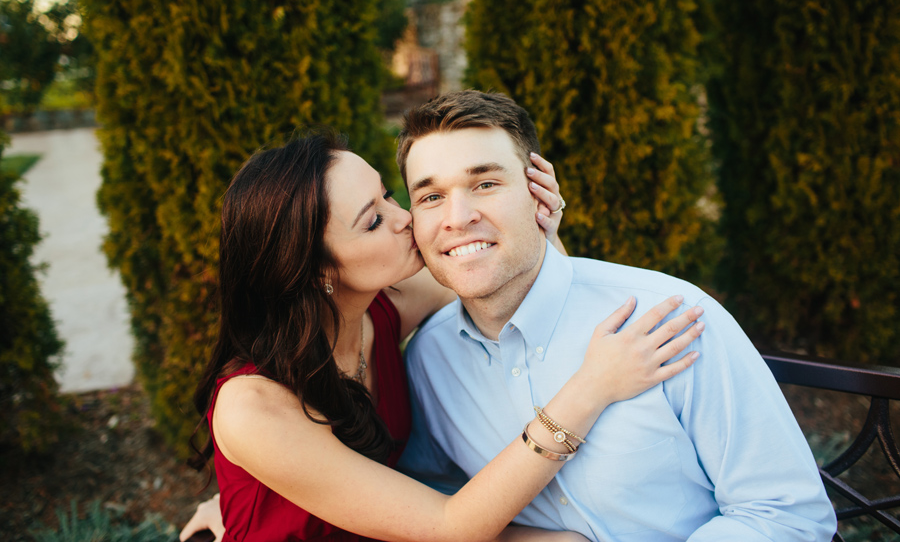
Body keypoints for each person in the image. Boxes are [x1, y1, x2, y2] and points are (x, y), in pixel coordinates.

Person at [180, 129, 704, 542]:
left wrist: (537, 225)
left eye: (388, 195)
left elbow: (526, 291)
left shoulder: (384, 306)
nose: (405, 218)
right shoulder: (253, 405)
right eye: (372, 221)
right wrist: (592, 388)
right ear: (316, 270)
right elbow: (453, 528)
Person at [392, 90, 837, 541]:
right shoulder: (429, 359)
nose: (458, 217)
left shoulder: (670, 318)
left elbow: (787, 516)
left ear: (539, 194)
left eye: (485, 184)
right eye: (430, 196)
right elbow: (438, 498)